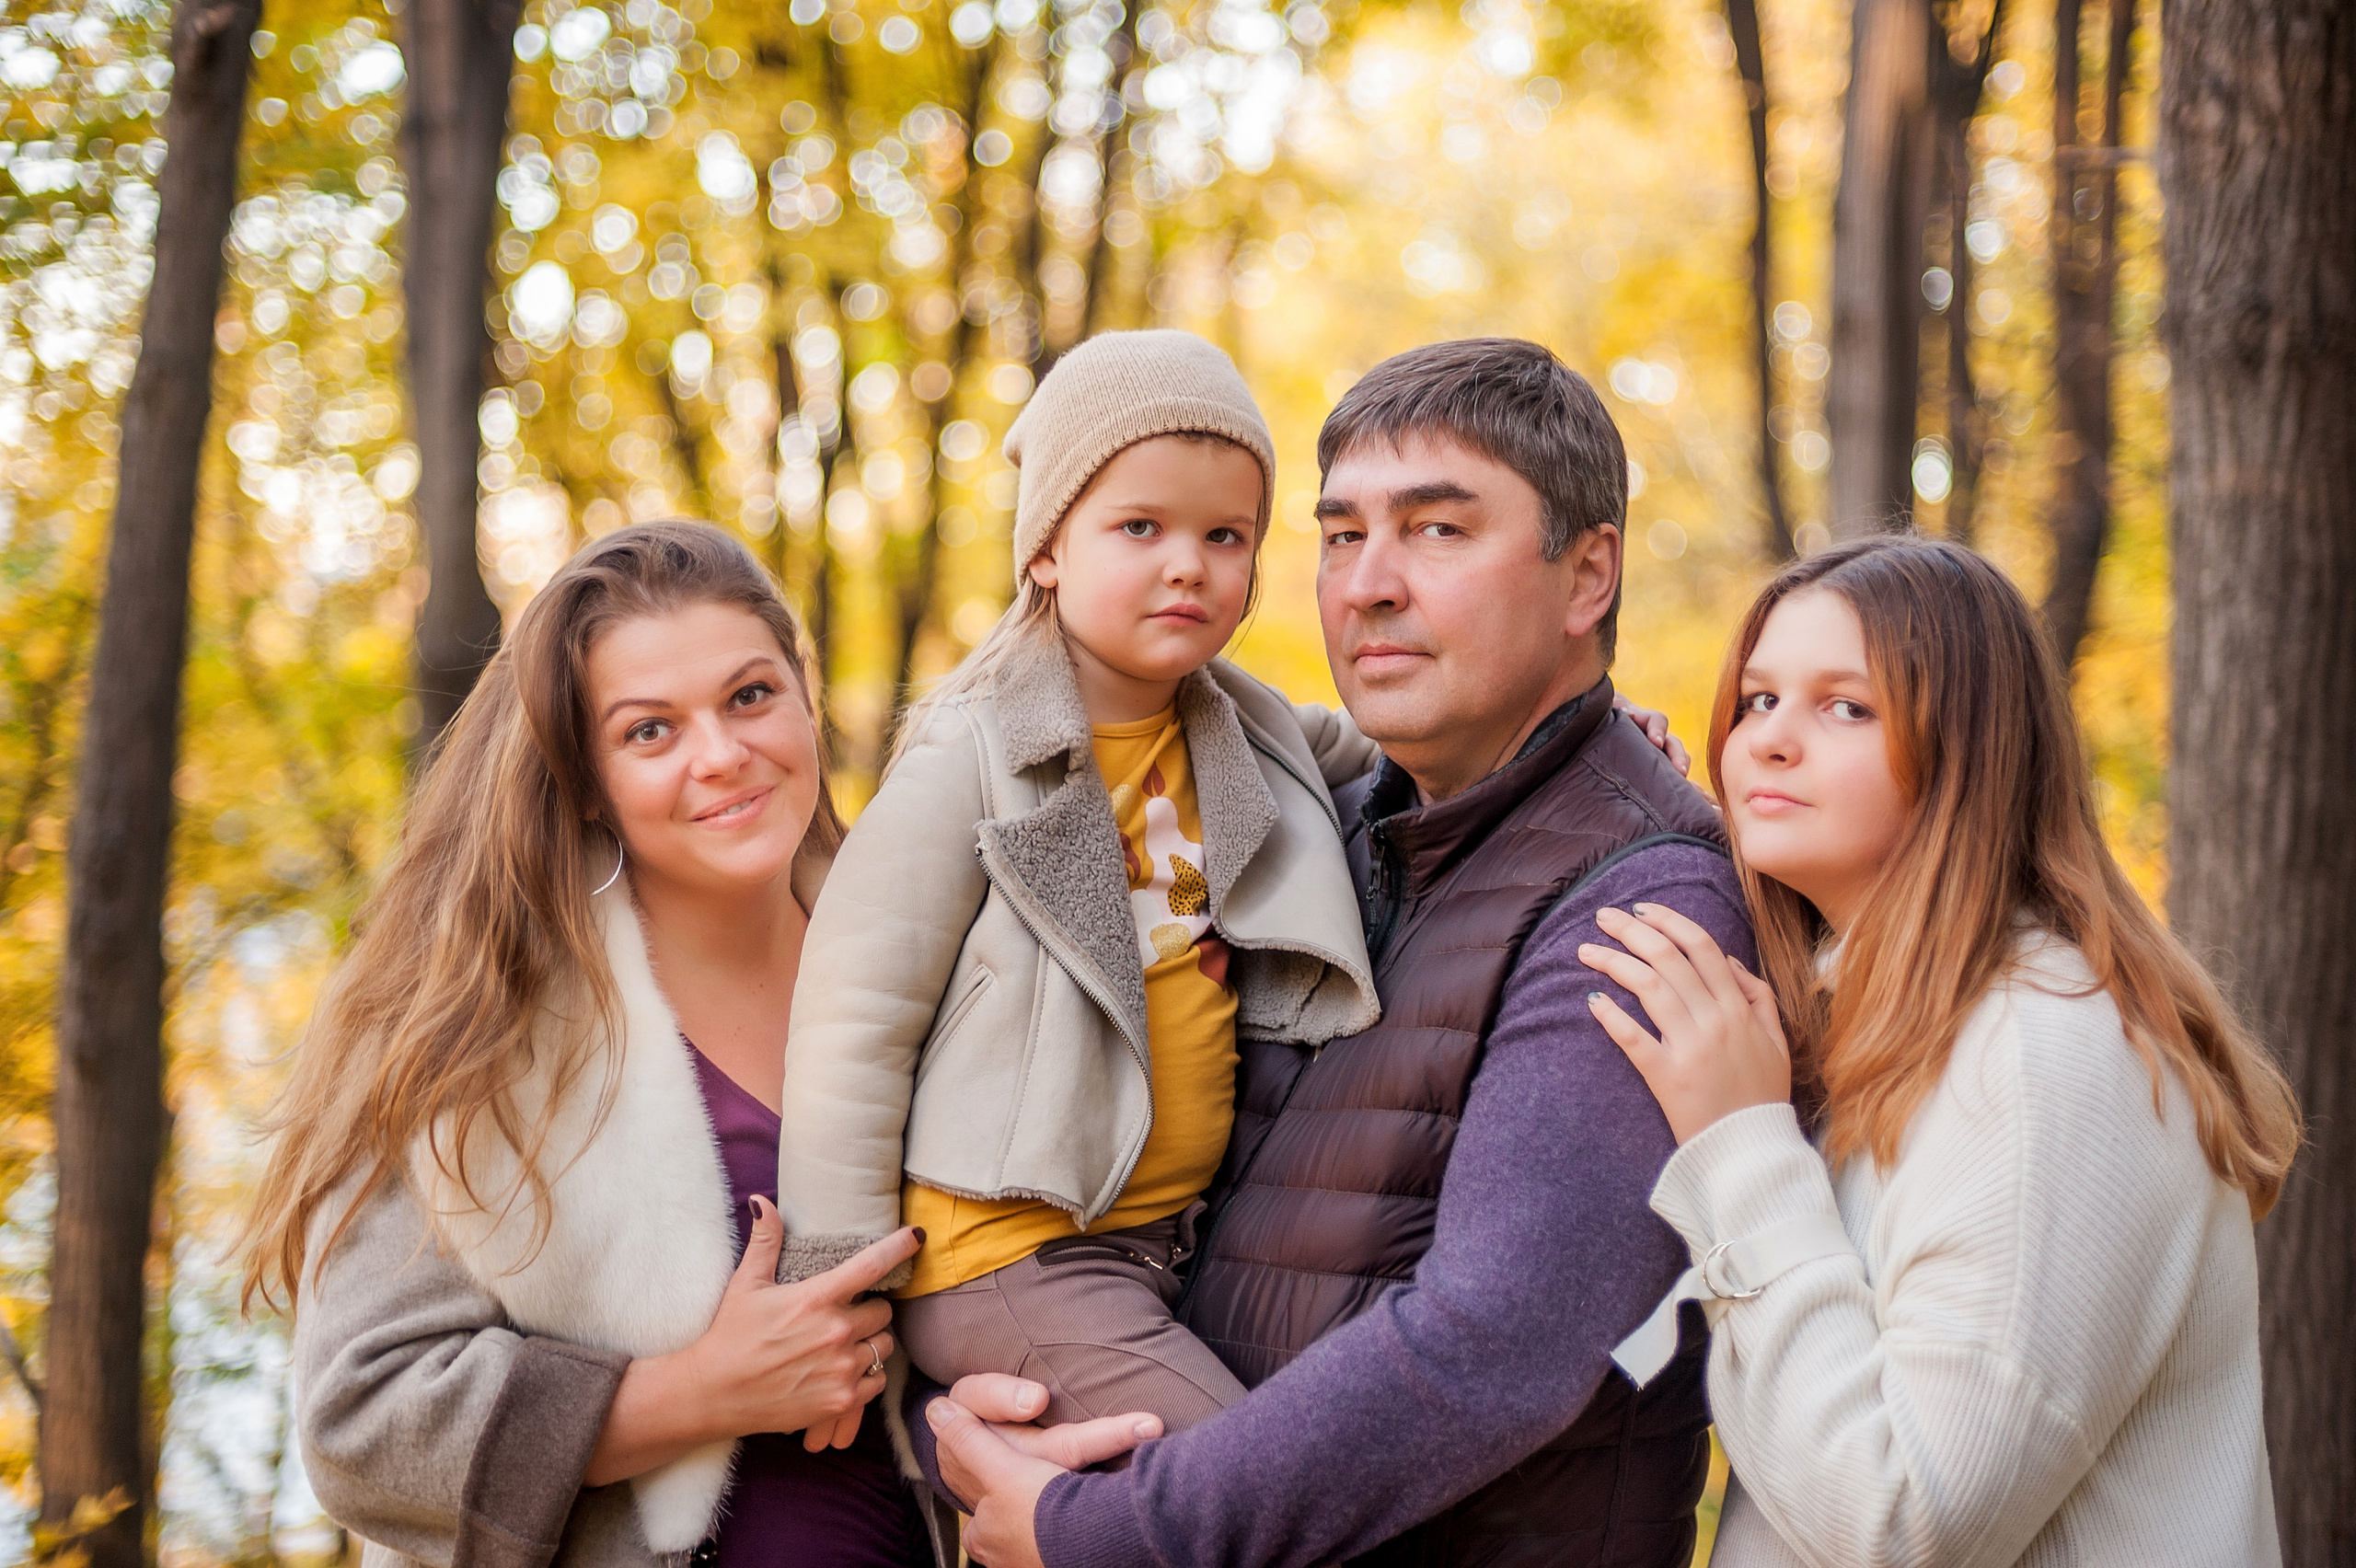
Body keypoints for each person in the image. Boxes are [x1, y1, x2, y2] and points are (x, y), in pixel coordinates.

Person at [919, 338, 1751, 1568]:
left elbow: (1497, 1346)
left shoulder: (1639, 896)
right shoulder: (1317, 834)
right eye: (1343, 535)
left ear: (1588, 580)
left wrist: (1101, 1529)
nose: (1369, 585)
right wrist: (1002, 1405)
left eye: (1438, 531)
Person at [1583, 536, 2299, 1566]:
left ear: (1968, 754)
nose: (1772, 741)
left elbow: (1901, 1520)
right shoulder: (1890, 1020)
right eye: (1757, 701)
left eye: (1846, 707)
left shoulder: (2042, 1050)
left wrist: (1738, 1146)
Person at [245, 524, 942, 1568]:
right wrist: (699, 1391)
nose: (721, 754)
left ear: (803, 695)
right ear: (585, 778)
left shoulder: (928, 957)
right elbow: (363, 1420)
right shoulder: (477, 1027)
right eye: (649, 731)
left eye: (750, 695)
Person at [772, 329, 1382, 1435]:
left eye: (1224, 534)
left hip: (1159, 1244)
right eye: (1138, 527)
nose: (1186, 563)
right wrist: (836, 1290)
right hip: (1007, 1254)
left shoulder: (1241, 727)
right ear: (1047, 547)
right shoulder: (977, 752)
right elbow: (853, 1021)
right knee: (1239, 1481)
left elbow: (1387, 748)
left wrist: (1562, 730)